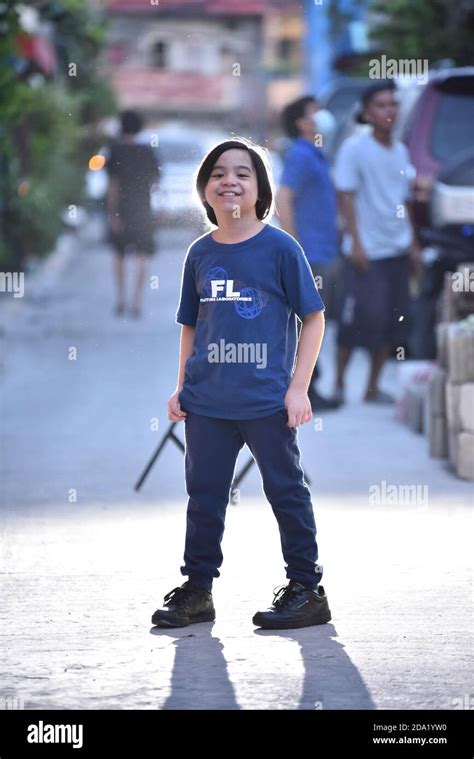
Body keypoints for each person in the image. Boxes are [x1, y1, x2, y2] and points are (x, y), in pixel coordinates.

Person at [151, 138, 332, 630]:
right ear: (205, 190)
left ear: (260, 190)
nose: (229, 180)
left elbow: (313, 318)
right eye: (218, 173)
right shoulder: (200, 253)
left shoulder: (280, 248)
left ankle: (306, 588)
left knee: (285, 490)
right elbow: (192, 324)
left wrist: (298, 388)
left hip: (265, 401)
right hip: (207, 401)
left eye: (243, 173)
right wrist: (181, 385)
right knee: (204, 494)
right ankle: (197, 591)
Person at [333, 81, 420, 403]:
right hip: (367, 253)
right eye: (381, 105)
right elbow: (346, 195)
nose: (389, 111)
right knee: (355, 321)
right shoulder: (354, 148)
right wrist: (356, 244)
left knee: (393, 322)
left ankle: (372, 387)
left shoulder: (400, 151)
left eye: (393, 105)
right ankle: (340, 384)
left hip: (396, 250)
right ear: (367, 112)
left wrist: (412, 244)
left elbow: (405, 200)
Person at [277, 96, 341, 411]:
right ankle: (307, 388)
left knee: (313, 320)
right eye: (316, 112)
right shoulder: (301, 155)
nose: (323, 116)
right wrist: (294, 247)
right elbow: (284, 198)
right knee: (308, 321)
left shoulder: (316, 154)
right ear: (302, 123)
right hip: (310, 253)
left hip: (323, 250)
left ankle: (310, 384)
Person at [106, 110, 160, 318]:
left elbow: (113, 185)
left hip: (122, 208)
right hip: (143, 209)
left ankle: (121, 299)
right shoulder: (147, 151)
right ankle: (136, 302)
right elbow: (156, 184)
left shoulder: (115, 150)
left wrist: (112, 214)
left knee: (119, 254)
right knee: (143, 255)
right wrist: (160, 208)